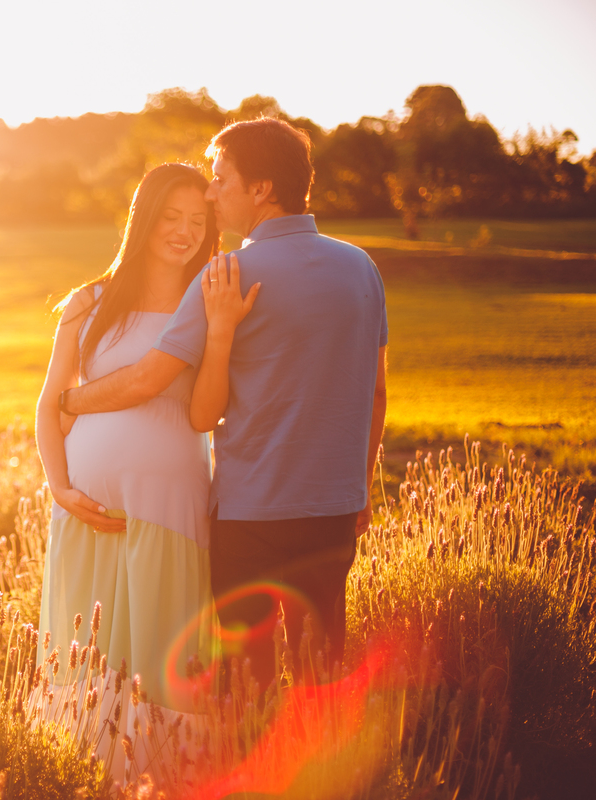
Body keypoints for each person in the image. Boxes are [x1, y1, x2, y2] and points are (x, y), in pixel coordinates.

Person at [61, 118, 389, 691]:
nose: (211, 193)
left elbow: (150, 380)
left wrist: (71, 399)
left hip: (250, 518)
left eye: (220, 179)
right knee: (321, 672)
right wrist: (359, 487)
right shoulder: (361, 268)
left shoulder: (227, 275)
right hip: (335, 512)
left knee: (245, 685)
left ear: (261, 189)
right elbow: (377, 393)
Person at [34, 162, 259, 784]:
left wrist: (220, 332)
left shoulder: (204, 303)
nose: (185, 232)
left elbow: (205, 413)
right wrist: (59, 488)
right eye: (171, 217)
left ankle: (165, 781)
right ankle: (76, 778)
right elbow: (49, 403)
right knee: (84, 656)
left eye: (198, 221)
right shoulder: (89, 302)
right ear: (143, 219)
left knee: (165, 655)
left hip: (171, 506)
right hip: (85, 510)